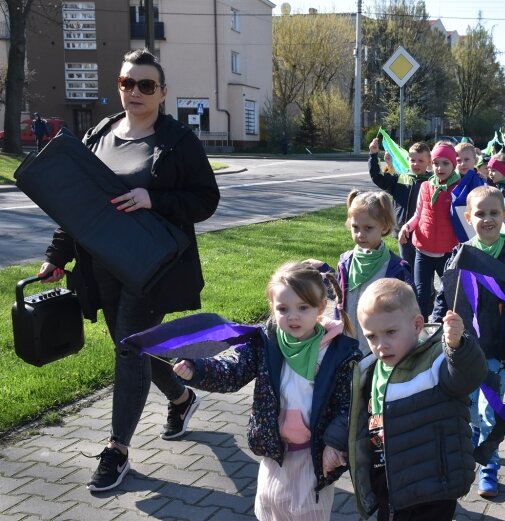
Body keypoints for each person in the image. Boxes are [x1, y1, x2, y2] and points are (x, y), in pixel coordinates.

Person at [38, 48, 220, 492]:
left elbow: (205, 200)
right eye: (126, 83)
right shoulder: (99, 132)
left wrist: (152, 198)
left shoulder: (178, 141)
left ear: (162, 93)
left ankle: (116, 450)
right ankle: (181, 398)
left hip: (151, 267)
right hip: (102, 264)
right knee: (134, 346)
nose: (134, 92)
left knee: (129, 350)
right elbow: (76, 202)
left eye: (145, 85)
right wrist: (56, 255)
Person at [174, 261, 361, 520]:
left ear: (320, 308)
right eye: (283, 308)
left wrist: (334, 444)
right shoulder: (266, 343)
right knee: (271, 509)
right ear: (272, 308)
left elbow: (349, 405)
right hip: (275, 451)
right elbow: (233, 371)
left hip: (314, 455)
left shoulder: (338, 352)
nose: (293, 316)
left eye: (303, 308)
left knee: (308, 513)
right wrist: (198, 370)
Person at [431, 186, 505, 498]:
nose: (488, 219)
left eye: (494, 213)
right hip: (464, 346)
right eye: (480, 214)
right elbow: (445, 294)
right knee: (468, 409)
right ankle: (472, 454)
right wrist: (438, 319)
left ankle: (489, 470)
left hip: (498, 348)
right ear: (469, 217)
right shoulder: (462, 253)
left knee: (489, 412)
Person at [349, 278, 488, 520]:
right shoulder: (370, 370)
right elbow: (358, 417)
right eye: (371, 336)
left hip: (432, 485)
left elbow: (467, 376)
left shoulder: (436, 360)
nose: (381, 345)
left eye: (390, 332)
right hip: (388, 481)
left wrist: (458, 346)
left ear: (416, 325)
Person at [335, 190, 413, 356]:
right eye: (355, 227)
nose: (360, 234)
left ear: (383, 227)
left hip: (381, 349)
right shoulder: (346, 262)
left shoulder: (396, 268)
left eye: (368, 228)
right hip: (347, 343)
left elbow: (408, 311)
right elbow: (338, 296)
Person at [398, 143, 461, 319]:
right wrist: (406, 227)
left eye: (445, 163)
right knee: (421, 295)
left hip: (448, 253)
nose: (440, 168)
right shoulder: (426, 186)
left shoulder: (459, 187)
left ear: (453, 165)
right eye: (436, 163)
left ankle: (447, 330)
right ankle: (422, 330)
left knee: (451, 295)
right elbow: (418, 215)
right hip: (422, 251)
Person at [368, 138, 431, 271]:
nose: (416, 164)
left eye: (421, 161)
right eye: (413, 160)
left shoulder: (432, 182)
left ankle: (428, 291)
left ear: (429, 162)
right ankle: (410, 289)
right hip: (404, 233)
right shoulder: (400, 179)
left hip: (425, 233)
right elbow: (377, 177)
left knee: (424, 268)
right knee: (408, 266)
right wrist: (373, 155)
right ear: (408, 160)